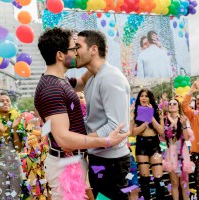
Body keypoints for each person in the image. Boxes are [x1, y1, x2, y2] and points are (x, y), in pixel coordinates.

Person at [35, 27, 129, 200]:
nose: (76, 53)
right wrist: (104, 140)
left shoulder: (63, 80)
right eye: (73, 48)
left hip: (96, 162)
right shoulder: (52, 87)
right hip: (68, 163)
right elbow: (64, 140)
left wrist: (97, 57)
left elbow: (84, 80)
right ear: (60, 55)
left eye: (78, 47)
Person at [75, 30, 131, 199]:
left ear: (93, 49)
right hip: (98, 160)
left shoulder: (110, 78)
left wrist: (78, 142)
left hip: (112, 165)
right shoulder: (92, 77)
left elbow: (117, 127)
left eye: (78, 46)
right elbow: (95, 120)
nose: (74, 51)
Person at [130, 89, 164, 200]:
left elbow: (161, 131)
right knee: (144, 179)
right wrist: (144, 124)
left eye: (146, 96)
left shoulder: (158, 111)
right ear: (139, 98)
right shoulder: (135, 112)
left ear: (150, 98)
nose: (144, 98)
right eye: (142, 96)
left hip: (154, 144)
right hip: (141, 145)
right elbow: (132, 133)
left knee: (158, 178)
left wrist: (151, 116)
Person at [163, 99, 195, 200]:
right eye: (170, 104)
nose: (172, 105)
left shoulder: (183, 119)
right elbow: (163, 137)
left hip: (182, 152)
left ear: (178, 107)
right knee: (174, 183)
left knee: (184, 182)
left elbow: (186, 138)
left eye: (174, 104)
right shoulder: (164, 120)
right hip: (170, 153)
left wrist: (184, 125)